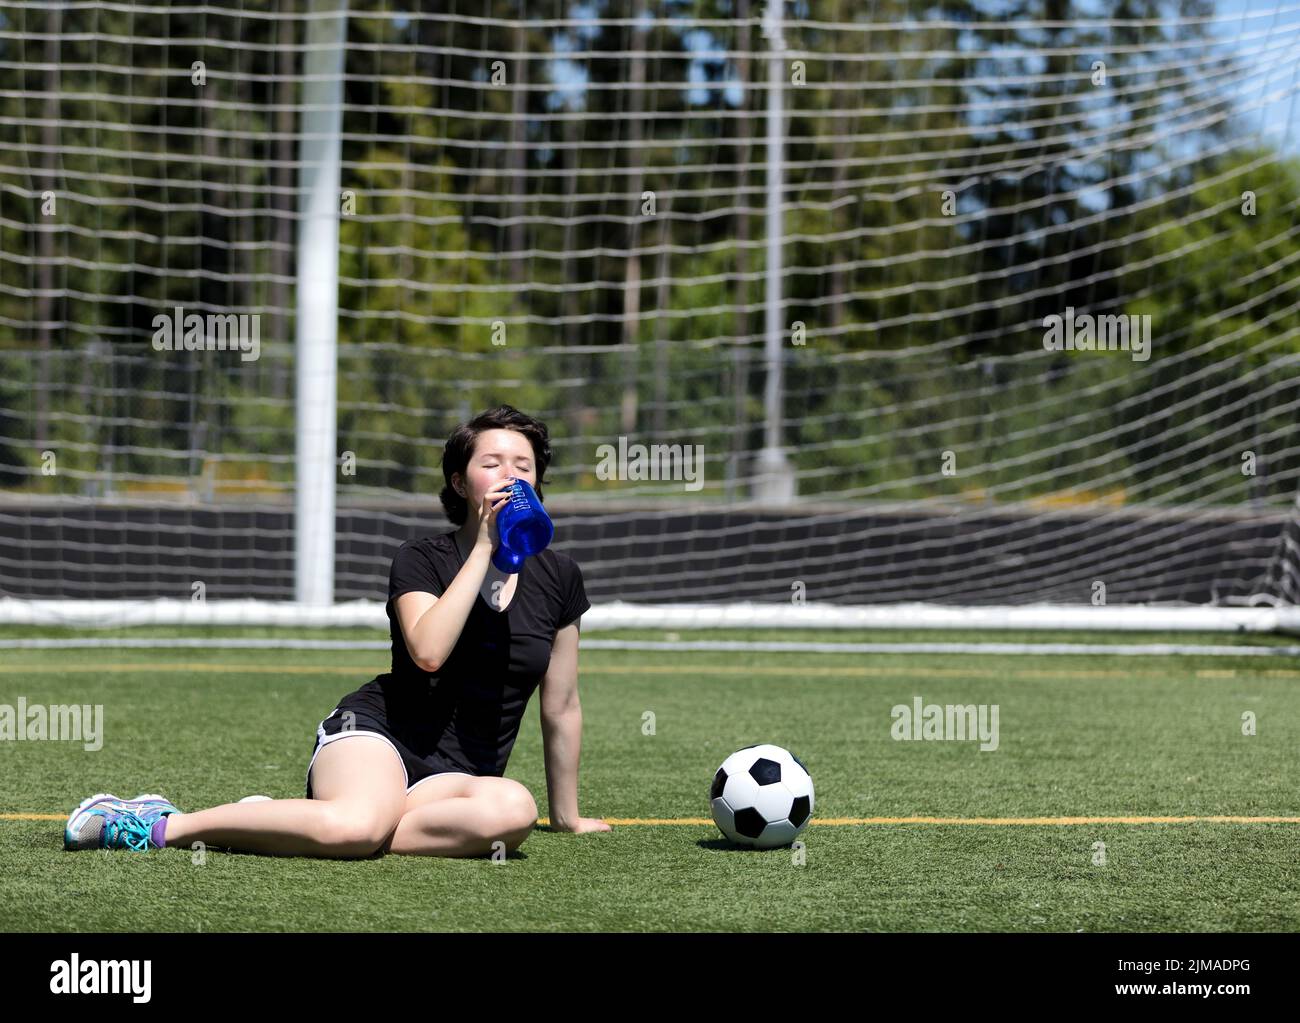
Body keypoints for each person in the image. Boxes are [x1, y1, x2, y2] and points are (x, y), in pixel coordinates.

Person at [64, 404, 610, 858]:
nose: (511, 475)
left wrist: (568, 817)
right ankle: (160, 824)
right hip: (379, 737)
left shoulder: (559, 577)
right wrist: (487, 548)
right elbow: (427, 652)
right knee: (355, 827)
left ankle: (281, 821)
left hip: (457, 779)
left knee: (512, 810)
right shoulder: (422, 558)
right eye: (492, 463)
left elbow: (560, 705)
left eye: (525, 464)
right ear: (459, 480)